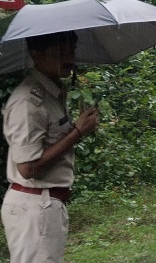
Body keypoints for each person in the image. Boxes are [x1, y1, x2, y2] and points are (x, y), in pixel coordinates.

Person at [2, 31, 100, 262]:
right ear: (36, 55)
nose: (69, 58)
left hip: (46, 205)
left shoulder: (52, 93)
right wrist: (77, 132)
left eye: (72, 51)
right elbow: (28, 168)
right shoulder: (28, 102)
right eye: (60, 53)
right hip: (35, 208)